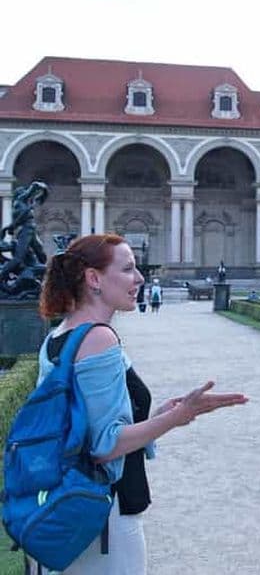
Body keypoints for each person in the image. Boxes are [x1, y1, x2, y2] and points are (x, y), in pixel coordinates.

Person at [36, 234, 248, 574]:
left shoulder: (58, 337)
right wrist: (179, 415)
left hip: (66, 503)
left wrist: (157, 417)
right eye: (128, 269)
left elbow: (78, 430)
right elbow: (104, 447)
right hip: (104, 512)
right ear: (94, 279)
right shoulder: (99, 338)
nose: (139, 278)